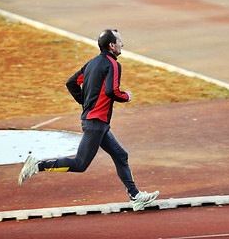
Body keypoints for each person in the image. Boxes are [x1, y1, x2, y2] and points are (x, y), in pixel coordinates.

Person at [18, 29, 159, 211]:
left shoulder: (92, 63)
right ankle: (37, 166)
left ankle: (135, 196)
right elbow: (111, 91)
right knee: (80, 163)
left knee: (121, 155)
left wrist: (85, 103)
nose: (122, 44)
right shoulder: (113, 65)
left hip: (97, 123)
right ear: (111, 46)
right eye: (120, 41)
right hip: (96, 124)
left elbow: (72, 83)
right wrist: (126, 96)